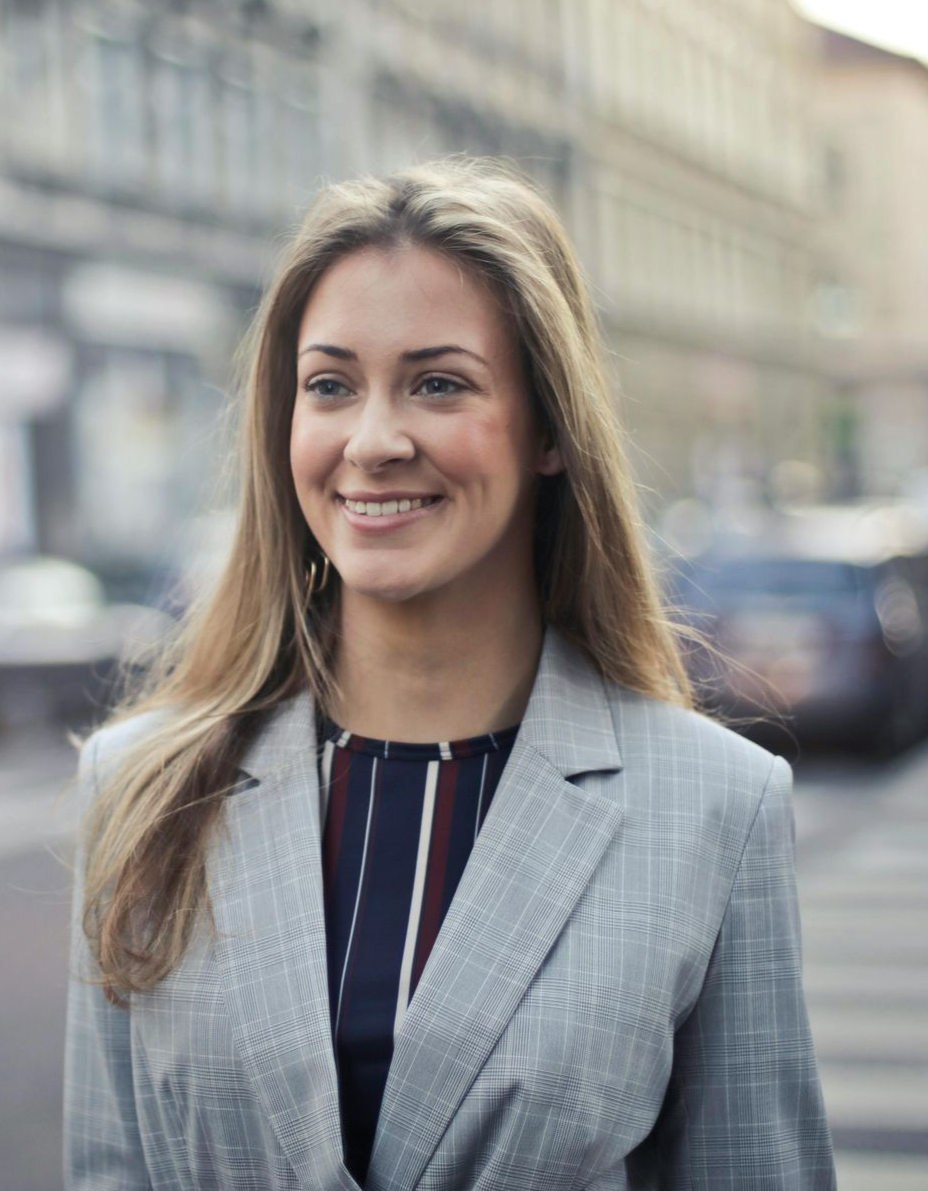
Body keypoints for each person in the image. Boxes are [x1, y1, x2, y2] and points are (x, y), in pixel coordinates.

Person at [64, 157, 837, 1190]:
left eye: (438, 382)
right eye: (329, 385)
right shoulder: (140, 787)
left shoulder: (714, 806)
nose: (373, 441)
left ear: (551, 429)